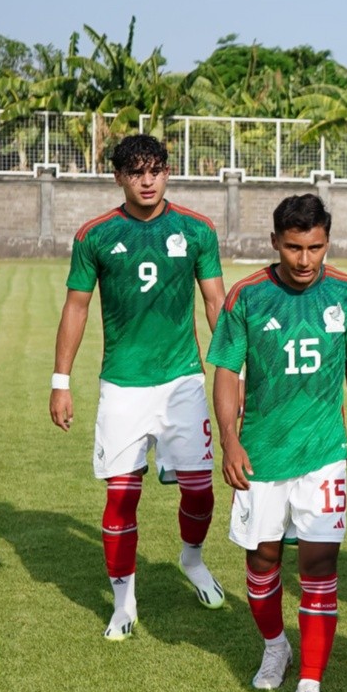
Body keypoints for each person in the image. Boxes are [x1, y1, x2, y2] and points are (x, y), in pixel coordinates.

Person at [50, 133, 225, 640]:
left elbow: (216, 303)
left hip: (184, 381)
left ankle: (191, 560)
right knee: (121, 497)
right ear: (119, 177)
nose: (147, 181)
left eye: (156, 170)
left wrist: (236, 370)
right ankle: (124, 602)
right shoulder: (95, 236)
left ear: (167, 172)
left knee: (199, 491)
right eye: (135, 172)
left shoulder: (197, 229)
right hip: (122, 387)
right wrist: (61, 382)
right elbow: (76, 308)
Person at [208, 195, 347, 692]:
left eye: (316, 247)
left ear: (328, 241)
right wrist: (231, 441)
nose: (306, 260)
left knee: (321, 566)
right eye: (295, 247)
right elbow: (228, 373)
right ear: (275, 241)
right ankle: (275, 645)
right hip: (261, 454)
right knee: (262, 562)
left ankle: (309, 686)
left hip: (323, 453)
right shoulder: (248, 296)